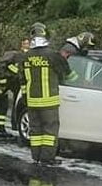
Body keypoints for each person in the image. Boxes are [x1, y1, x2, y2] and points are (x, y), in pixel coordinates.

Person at [21, 23, 78, 165]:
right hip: (49, 102)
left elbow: (22, 79)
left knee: (36, 130)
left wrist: (25, 97)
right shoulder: (52, 55)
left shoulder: (25, 57)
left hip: (32, 101)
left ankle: (36, 156)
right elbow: (68, 76)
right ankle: (47, 158)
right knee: (50, 130)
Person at [0, 37, 30, 139]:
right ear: (21, 45)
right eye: (25, 44)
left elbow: (21, 73)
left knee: (4, 107)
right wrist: (2, 80)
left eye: (28, 44)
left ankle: (2, 129)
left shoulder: (27, 57)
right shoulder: (14, 55)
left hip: (11, 84)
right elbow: (2, 66)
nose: (27, 46)